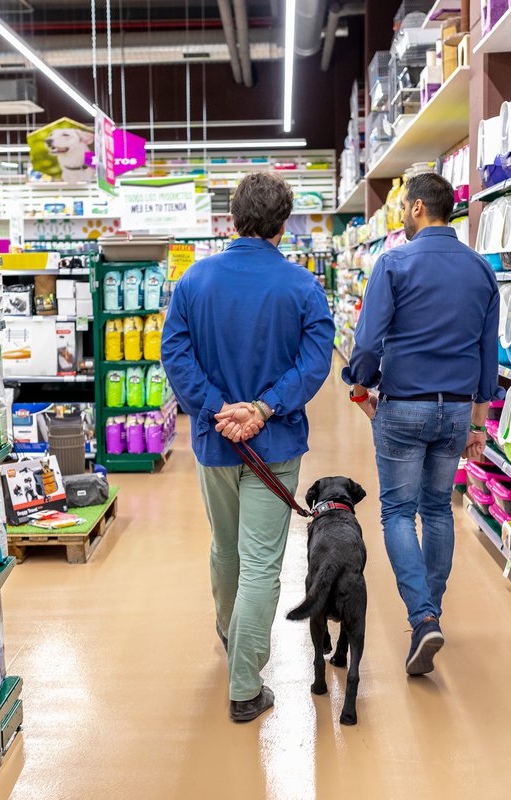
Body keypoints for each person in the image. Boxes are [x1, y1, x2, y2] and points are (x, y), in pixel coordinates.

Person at [161, 172, 335, 723]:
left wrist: (218, 408)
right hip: (275, 445)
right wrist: (262, 409)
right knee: (262, 561)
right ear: (284, 226)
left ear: (231, 219)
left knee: (225, 546)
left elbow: (175, 354)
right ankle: (244, 683)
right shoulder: (303, 287)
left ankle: (229, 629)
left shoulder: (193, 282)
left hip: (216, 445)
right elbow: (315, 361)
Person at [343, 172, 500, 677]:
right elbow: (487, 358)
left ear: (415, 209)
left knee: (396, 512)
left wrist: (360, 385)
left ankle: (422, 615)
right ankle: (430, 611)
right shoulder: (481, 269)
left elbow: (367, 343)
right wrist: (478, 424)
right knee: (437, 511)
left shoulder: (393, 263)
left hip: (403, 405)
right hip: (455, 410)